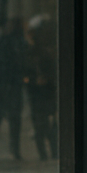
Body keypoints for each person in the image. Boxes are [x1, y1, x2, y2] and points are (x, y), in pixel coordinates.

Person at [0, 15, 30, 163]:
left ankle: (4, 149)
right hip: (7, 85)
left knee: (7, 119)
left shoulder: (10, 41)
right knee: (2, 118)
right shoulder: (8, 41)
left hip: (9, 85)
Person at [27, 14, 58, 162]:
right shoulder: (31, 52)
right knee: (41, 127)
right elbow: (25, 72)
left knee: (51, 128)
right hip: (38, 95)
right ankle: (45, 156)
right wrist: (33, 81)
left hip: (47, 95)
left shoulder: (46, 52)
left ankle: (53, 154)